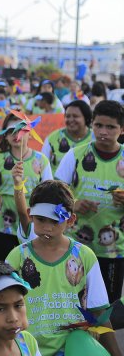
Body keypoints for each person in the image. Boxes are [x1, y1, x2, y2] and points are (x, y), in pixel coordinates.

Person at [6, 180, 120, 356]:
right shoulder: (17, 257)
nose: (47, 228)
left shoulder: (85, 256)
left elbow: (99, 310)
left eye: (55, 221)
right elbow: (2, 305)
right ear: (30, 215)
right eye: (41, 219)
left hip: (73, 348)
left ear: (71, 220)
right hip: (26, 349)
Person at [55, 100, 124, 303]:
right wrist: (73, 204)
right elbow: (52, 195)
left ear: (122, 129)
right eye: (98, 125)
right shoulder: (75, 155)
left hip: (114, 250)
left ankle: (101, 337)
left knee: (106, 308)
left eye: (110, 127)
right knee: (76, 303)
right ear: (92, 124)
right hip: (76, 246)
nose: (103, 131)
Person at [0, 111, 52, 261]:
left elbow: (49, 193)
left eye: (21, 130)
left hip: (32, 223)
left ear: (29, 133)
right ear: (5, 136)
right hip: (2, 222)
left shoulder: (41, 160)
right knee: (2, 268)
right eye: (10, 131)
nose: (16, 135)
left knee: (29, 267)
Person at [42, 100, 93, 174]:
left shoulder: (95, 138)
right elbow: (43, 166)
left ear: (86, 117)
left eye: (75, 116)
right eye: (67, 116)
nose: (71, 120)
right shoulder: (52, 138)